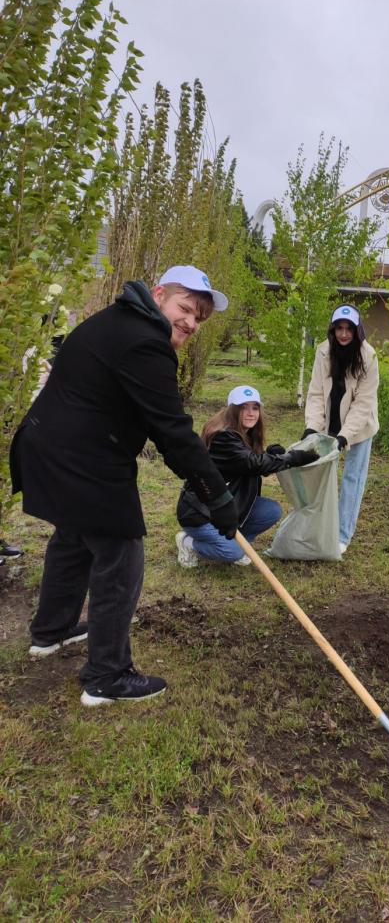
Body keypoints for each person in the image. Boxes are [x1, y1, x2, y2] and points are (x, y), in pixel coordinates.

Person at [9, 265, 240, 707]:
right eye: (186, 308)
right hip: (79, 456)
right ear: (158, 295)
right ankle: (107, 675)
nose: (191, 323)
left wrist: (209, 491)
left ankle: (50, 631)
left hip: (52, 446)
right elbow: (173, 430)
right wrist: (218, 495)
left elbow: (161, 431)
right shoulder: (144, 342)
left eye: (200, 318)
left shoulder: (119, 321)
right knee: (121, 550)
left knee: (74, 536)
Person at [176, 385, 318, 566]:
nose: (250, 413)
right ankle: (189, 542)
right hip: (201, 513)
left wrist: (271, 454)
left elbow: (248, 465)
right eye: (243, 407)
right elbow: (252, 463)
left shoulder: (244, 433)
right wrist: (292, 458)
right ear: (231, 410)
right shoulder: (223, 436)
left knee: (271, 510)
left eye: (255, 407)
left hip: (227, 505)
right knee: (232, 553)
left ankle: (235, 545)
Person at [303, 304, 379, 555]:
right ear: (333, 329)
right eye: (339, 329)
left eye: (349, 329)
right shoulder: (323, 352)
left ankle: (342, 534)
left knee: (352, 479)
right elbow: (315, 393)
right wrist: (312, 427)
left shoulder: (368, 357)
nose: (344, 334)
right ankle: (320, 525)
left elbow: (363, 404)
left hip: (359, 427)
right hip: (330, 422)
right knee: (322, 475)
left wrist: (346, 436)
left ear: (358, 331)